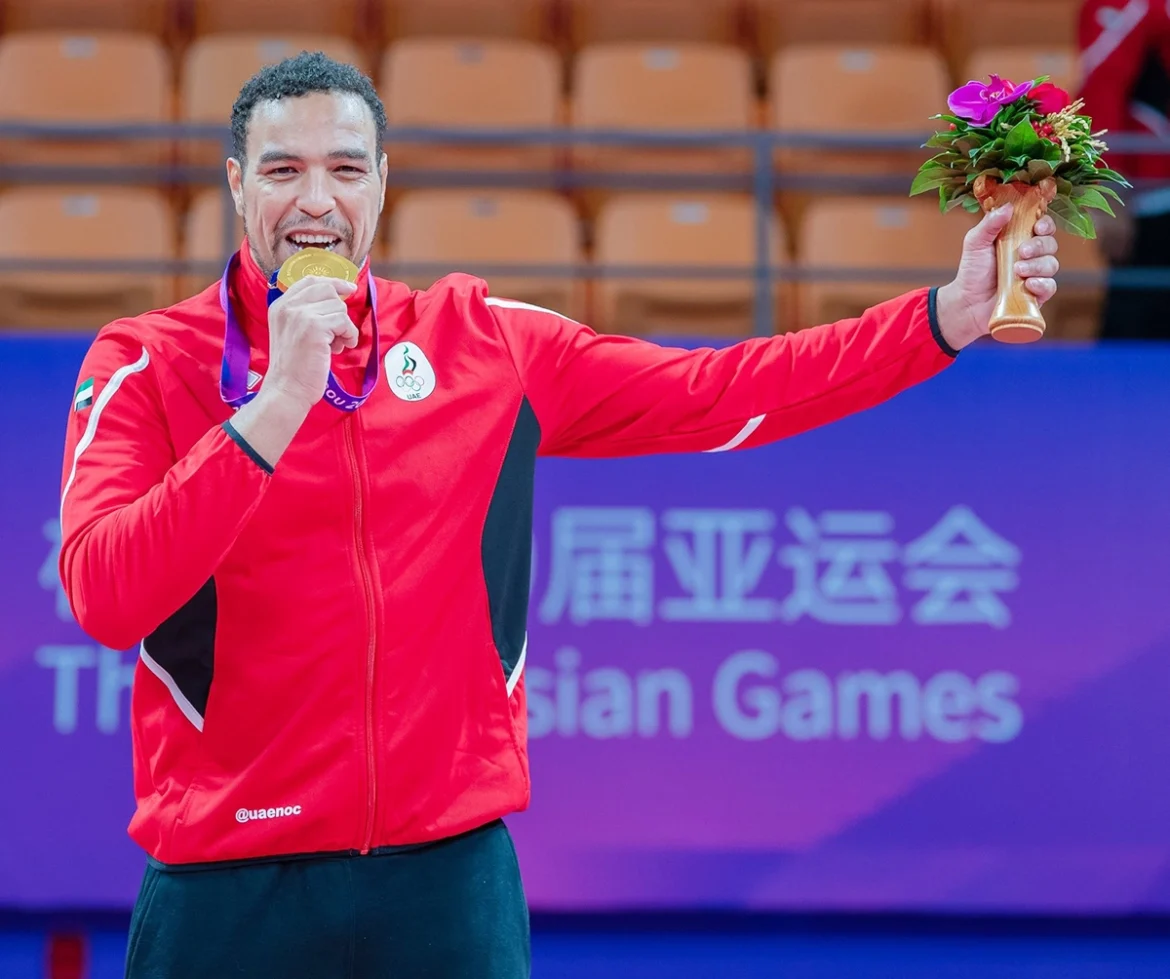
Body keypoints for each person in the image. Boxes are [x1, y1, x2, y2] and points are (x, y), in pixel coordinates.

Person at [58, 52, 1060, 979]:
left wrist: (941, 320)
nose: (316, 201)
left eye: (346, 170)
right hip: (228, 879)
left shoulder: (484, 343)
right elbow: (104, 594)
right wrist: (273, 409)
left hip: (444, 881)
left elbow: (718, 392)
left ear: (383, 182)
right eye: (281, 172)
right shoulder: (148, 364)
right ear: (235, 184)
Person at [1077, 0, 1170, 339]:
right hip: (1151, 197)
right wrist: (1109, 190)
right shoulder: (1125, 6)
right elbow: (1101, 90)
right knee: (1135, 328)